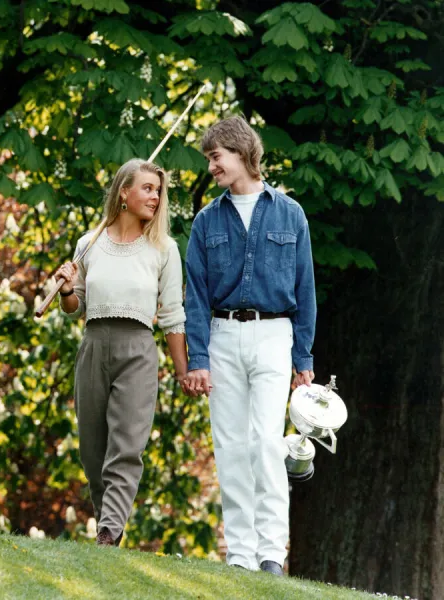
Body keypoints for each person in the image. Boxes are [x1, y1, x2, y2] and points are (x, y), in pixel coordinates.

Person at [184, 116, 316, 576]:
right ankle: (239, 553)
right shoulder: (206, 221)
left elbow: (306, 290)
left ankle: (271, 554)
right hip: (221, 338)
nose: (212, 166)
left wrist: (304, 359)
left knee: (265, 442)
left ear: (241, 152)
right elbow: (195, 297)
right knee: (230, 445)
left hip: (274, 336)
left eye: (216, 157)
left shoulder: (290, 214)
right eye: (209, 159)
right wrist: (197, 359)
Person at [56, 158, 188, 547]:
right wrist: (65, 288)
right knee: (93, 449)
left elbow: (173, 316)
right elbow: (74, 306)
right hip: (93, 345)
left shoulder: (164, 248)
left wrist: (183, 371)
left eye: (159, 190)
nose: (156, 196)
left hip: (138, 350)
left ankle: (109, 532)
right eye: (147, 188)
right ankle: (106, 524)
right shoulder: (89, 243)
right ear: (123, 193)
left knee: (127, 446)